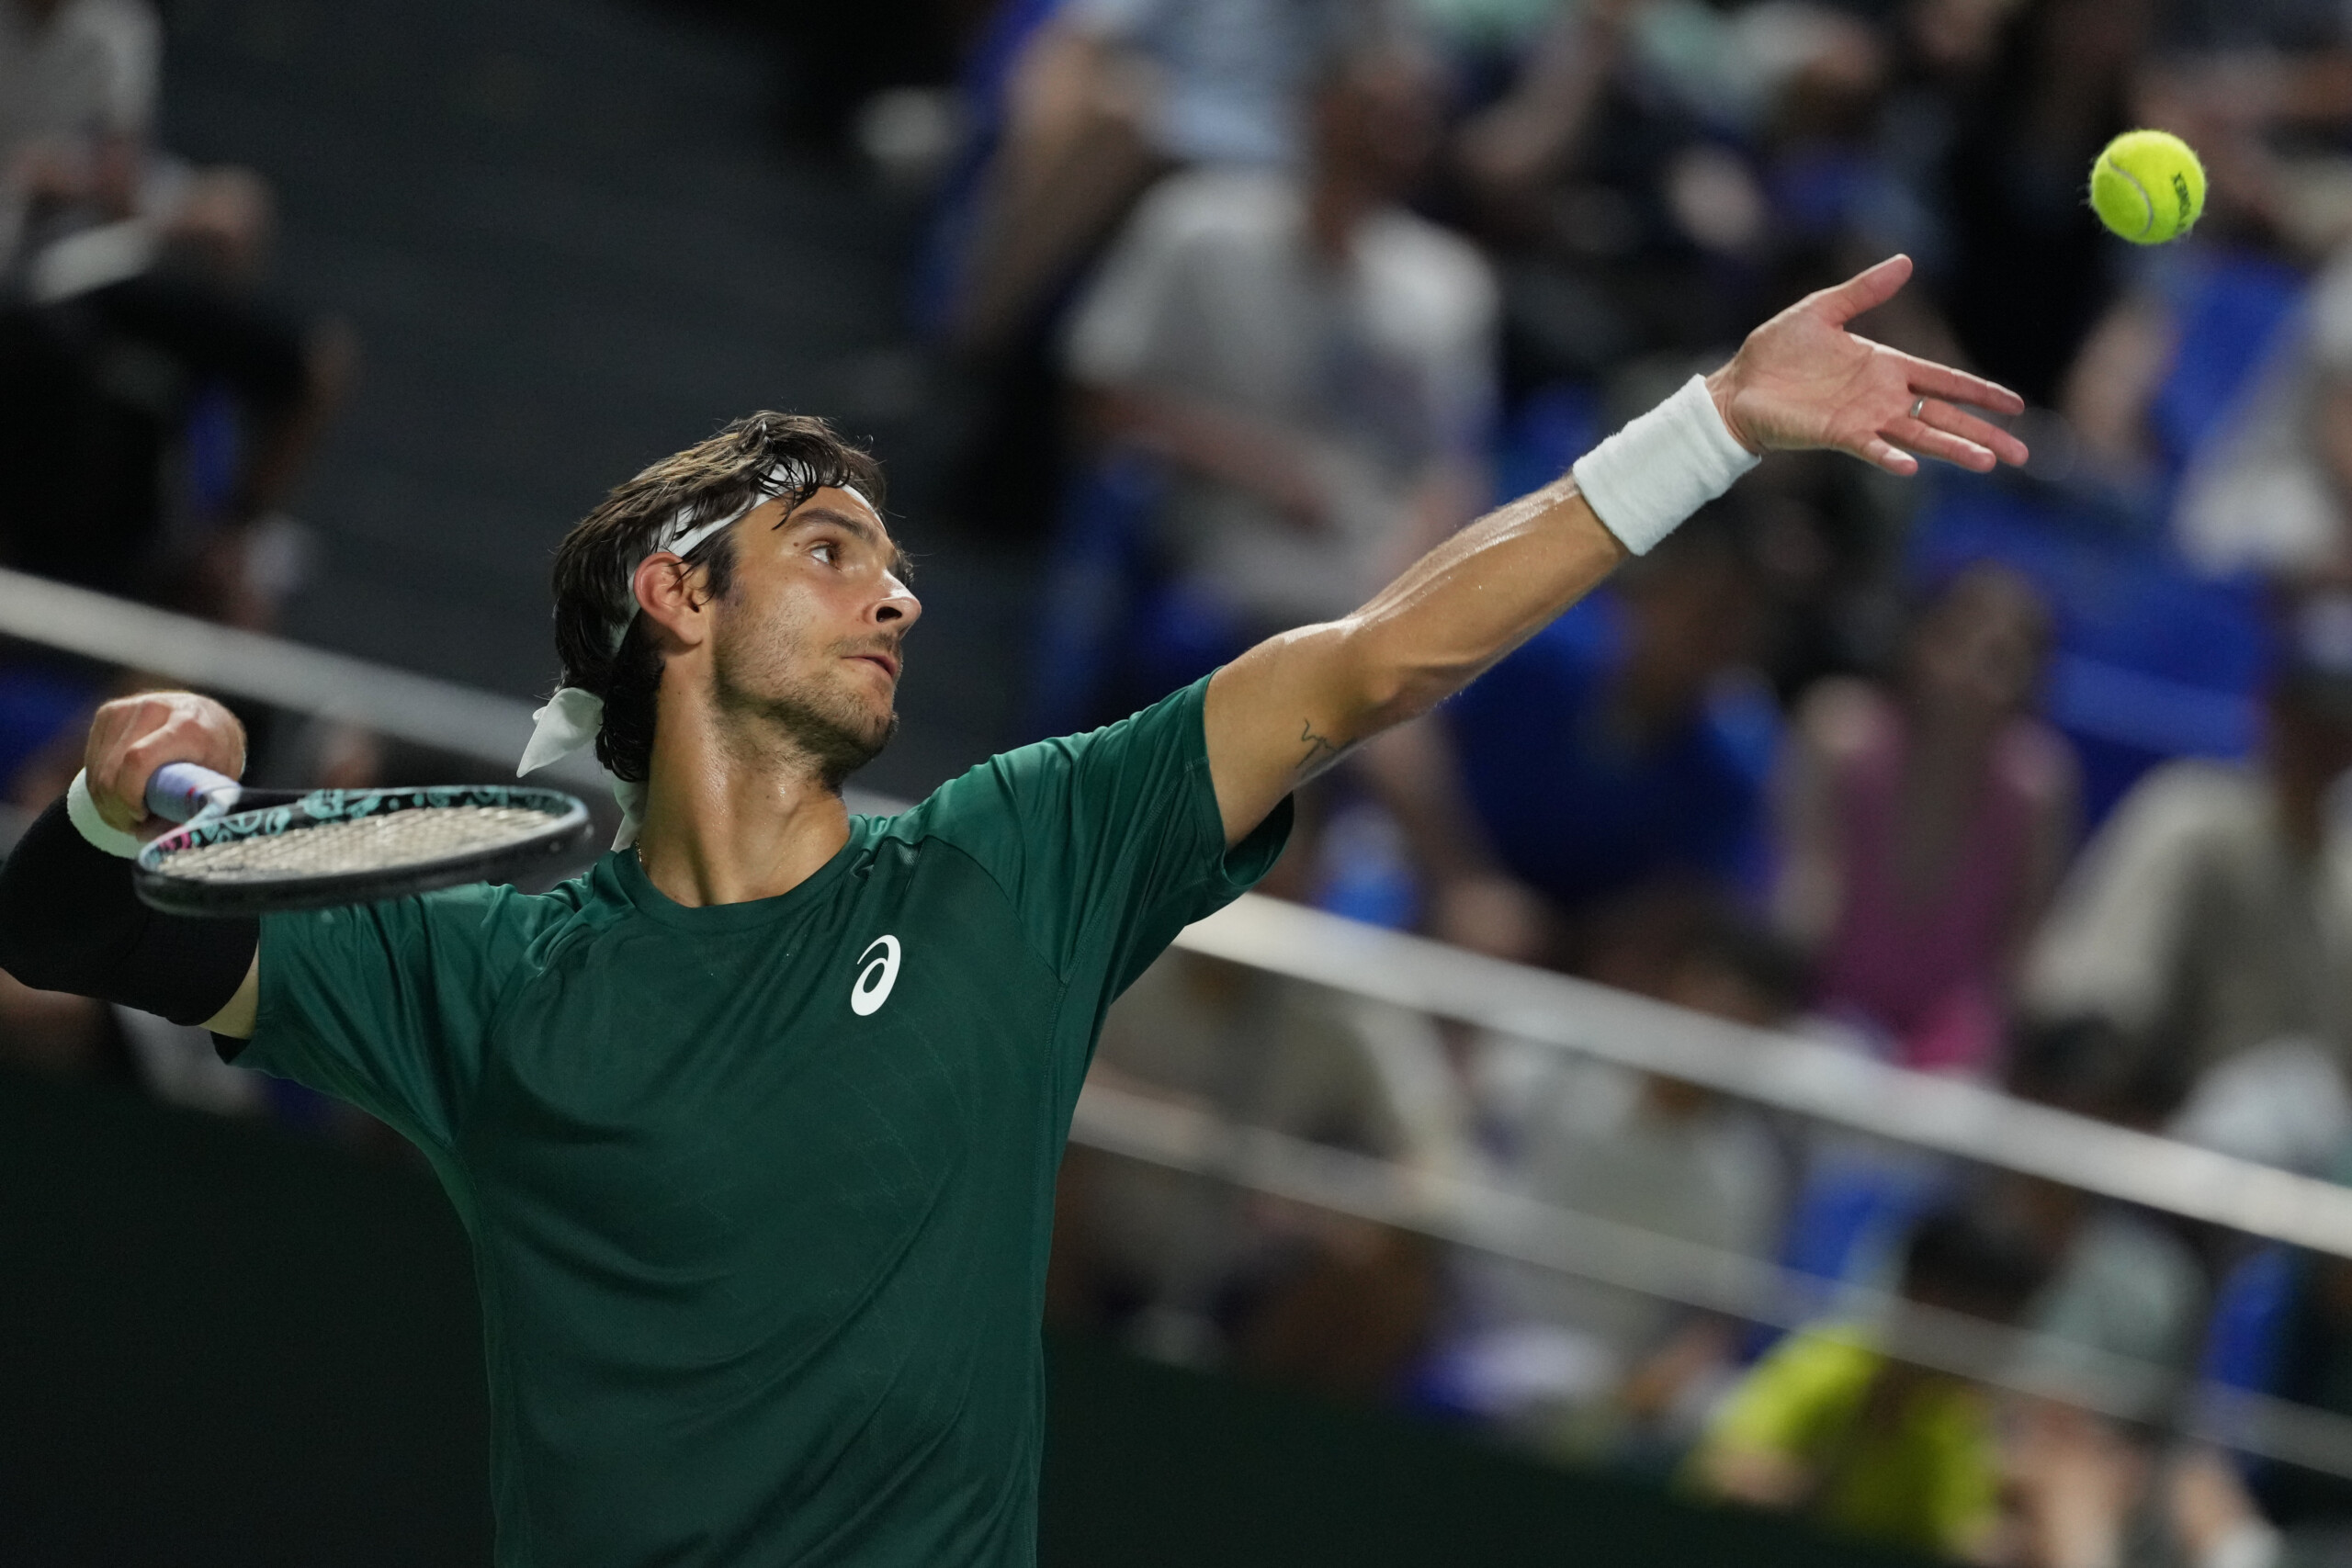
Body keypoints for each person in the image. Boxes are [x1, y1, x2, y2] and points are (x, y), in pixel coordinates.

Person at [0, 254, 2026, 1565]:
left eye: (896, 558)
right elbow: (75, 934)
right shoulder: (480, 975)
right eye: (829, 548)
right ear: (677, 598)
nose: (897, 592)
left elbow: (1369, 661)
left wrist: (1707, 427)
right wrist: (105, 797)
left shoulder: (1011, 865)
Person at [2024, 590, 2352, 1085]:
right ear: (2270, 706)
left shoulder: (2345, 877)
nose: (2323, 741)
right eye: (2309, 715)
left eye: (2341, 724)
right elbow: (2088, 1007)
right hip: (2171, 1115)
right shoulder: (2195, 814)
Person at [1774, 564, 2076, 1076]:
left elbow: (2021, 953)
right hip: (1824, 1010)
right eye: (1956, 640)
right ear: (1918, 640)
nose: (1971, 670)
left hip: (1951, 1040)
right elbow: (1800, 899)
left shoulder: (2038, 788)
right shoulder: (1838, 733)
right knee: (1817, 1071)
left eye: (1999, 658)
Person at [1688, 1207, 2050, 1562]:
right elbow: (1723, 1472)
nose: (2005, 1345)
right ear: (1928, 1298)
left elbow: (1963, 1539)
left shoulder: (1952, 1418)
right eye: (1999, 1321)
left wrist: (2044, 1505)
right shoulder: (1828, 1362)